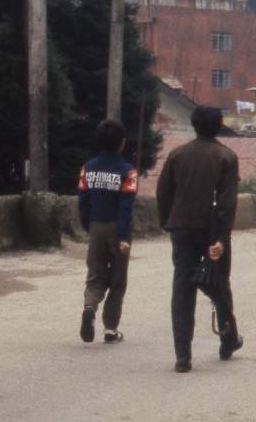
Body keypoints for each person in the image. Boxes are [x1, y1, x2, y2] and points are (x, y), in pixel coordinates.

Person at [157, 106, 242, 373]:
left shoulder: (176, 154)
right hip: (212, 230)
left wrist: (168, 223)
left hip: (181, 228)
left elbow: (163, 194)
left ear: (194, 125)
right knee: (218, 284)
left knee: (182, 289)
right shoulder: (226, 156)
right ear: (219, 126)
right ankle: (228, 340)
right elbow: (227, 203)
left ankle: (183, 356)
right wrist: (221, 237)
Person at [77, 118, 137, 345]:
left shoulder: (88, 168)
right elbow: (126, 207)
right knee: (118, 279)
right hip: (118, 229)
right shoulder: (127, 171)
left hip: (96, 226)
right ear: (122, 143)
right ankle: (110, 328)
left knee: (95, 275)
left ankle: (90, 307)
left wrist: (88, 225)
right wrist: (123, 237)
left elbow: (83, 200)